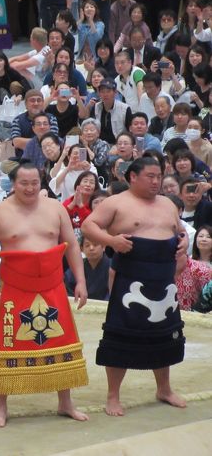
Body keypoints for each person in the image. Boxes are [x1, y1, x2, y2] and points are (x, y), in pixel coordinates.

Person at [0, 162, 89, 427]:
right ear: (13, 184)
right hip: (15, 287)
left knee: (61, 342)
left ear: (41, 183)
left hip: (52, 284)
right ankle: (1, 407)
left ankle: (65, 402)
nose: (29, 188)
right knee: (8, 345)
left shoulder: (55, 208)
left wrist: (81, 281)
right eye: (23, 183)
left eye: (34, 183)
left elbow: (72, 245)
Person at [81, 157, 187, 416]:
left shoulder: (167, 204)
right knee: (121, 338)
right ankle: (113, 395)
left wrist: (183, 241)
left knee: (164, 335)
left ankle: (164, 388)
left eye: (158, 176)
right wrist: (111, 241)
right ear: (132, 177)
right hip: (131, 280)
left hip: (163, 279)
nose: (155, 181)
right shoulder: (116, 202)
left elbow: (180, 231)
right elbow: (88, 226)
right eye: (150, 176)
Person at [65, 236, 111, 301]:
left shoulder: (112, 267)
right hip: (82, 305)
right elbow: (68, 288)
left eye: (95, 245)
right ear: (82, 249)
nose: (91, 248)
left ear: (103, 247)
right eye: (87, 245)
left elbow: (114, 292)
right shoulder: (78, 267)